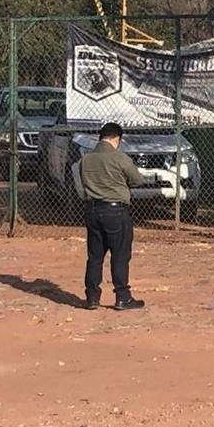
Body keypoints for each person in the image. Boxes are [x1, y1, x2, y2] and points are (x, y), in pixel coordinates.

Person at [80, 122, 145, 310]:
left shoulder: (86, 159)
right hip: (116, 211)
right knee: (120, 255)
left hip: (92, 210)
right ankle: (122, 297)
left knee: (95, 256)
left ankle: (92, 297)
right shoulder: (120, 158)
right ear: (117, 139)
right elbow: (137, 180)